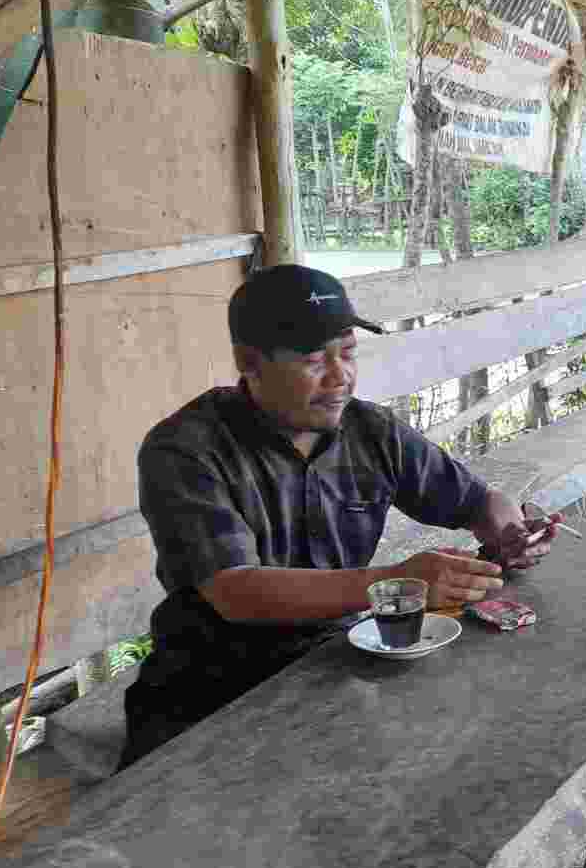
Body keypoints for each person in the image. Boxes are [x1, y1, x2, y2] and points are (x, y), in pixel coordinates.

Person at [121, 264, 562, 768]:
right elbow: (234, 591)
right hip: (211, 687)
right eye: (313, 359)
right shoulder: (186, 450)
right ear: (250, 362)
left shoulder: (370, 430)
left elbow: (480, 502)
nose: (340, 376)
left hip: (337, 660)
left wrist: (510, 533)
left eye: (348, 352)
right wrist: (393, 583)